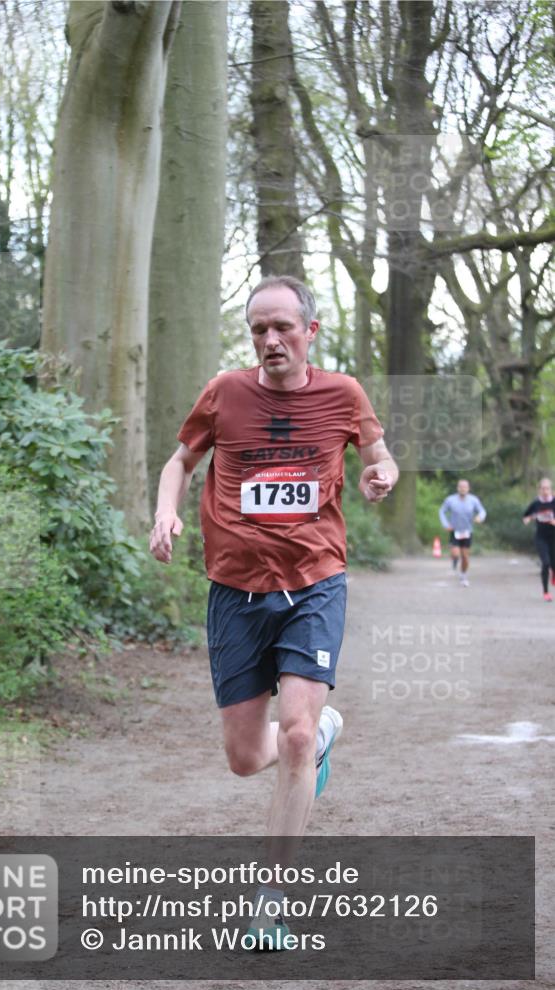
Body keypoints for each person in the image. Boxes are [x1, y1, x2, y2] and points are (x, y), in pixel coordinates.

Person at [149, 275, 398, 947]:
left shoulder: (342, 394)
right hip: (235, 589)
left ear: (309, 331)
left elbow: (378, 457)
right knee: (242, 757)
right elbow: (179, 462)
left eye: (283, 326)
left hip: (314, 583)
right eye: (259, 328)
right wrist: (166, 512)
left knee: (292, 736)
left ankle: (270, 903)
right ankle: (321, 736)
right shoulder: (224, 393)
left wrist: (381, 475)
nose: (270, 339)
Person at [438, 480, 486, 586]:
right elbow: (441, 511)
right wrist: (446, 524)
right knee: (455, 553)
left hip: (467, 531)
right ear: (457, 488)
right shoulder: (450, 500)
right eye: (461, 487)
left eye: (465, 487)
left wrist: (480, 517)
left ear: (468, 488)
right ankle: (455, 560)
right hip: (455, 530)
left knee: (465, 557)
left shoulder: (473, 500)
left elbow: (482, 511)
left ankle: (463, 575)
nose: (463, 489)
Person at [522, 477, 555, 602]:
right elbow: (526, 515)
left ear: (551, 490)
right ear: (539, 490)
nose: (545, 491)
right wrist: (527, 519)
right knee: (545, 563)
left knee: (553, 563)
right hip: (541, 537)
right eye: (543, 489)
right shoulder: (536, 503)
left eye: (547, 488)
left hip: (553, 537)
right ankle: (546, 592)